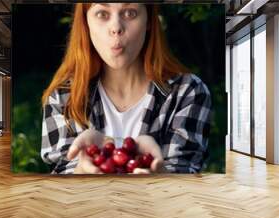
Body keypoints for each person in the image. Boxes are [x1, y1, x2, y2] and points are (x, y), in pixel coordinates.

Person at [40, 3, 212, 174]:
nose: (116, 28)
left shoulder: (188, 92)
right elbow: (61, 182)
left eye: (130, 13)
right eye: (102, 14)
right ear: (85, 23)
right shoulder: (63, 96)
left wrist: (161, 173)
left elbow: (184, 180)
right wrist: (80, 172)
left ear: (149, 21)